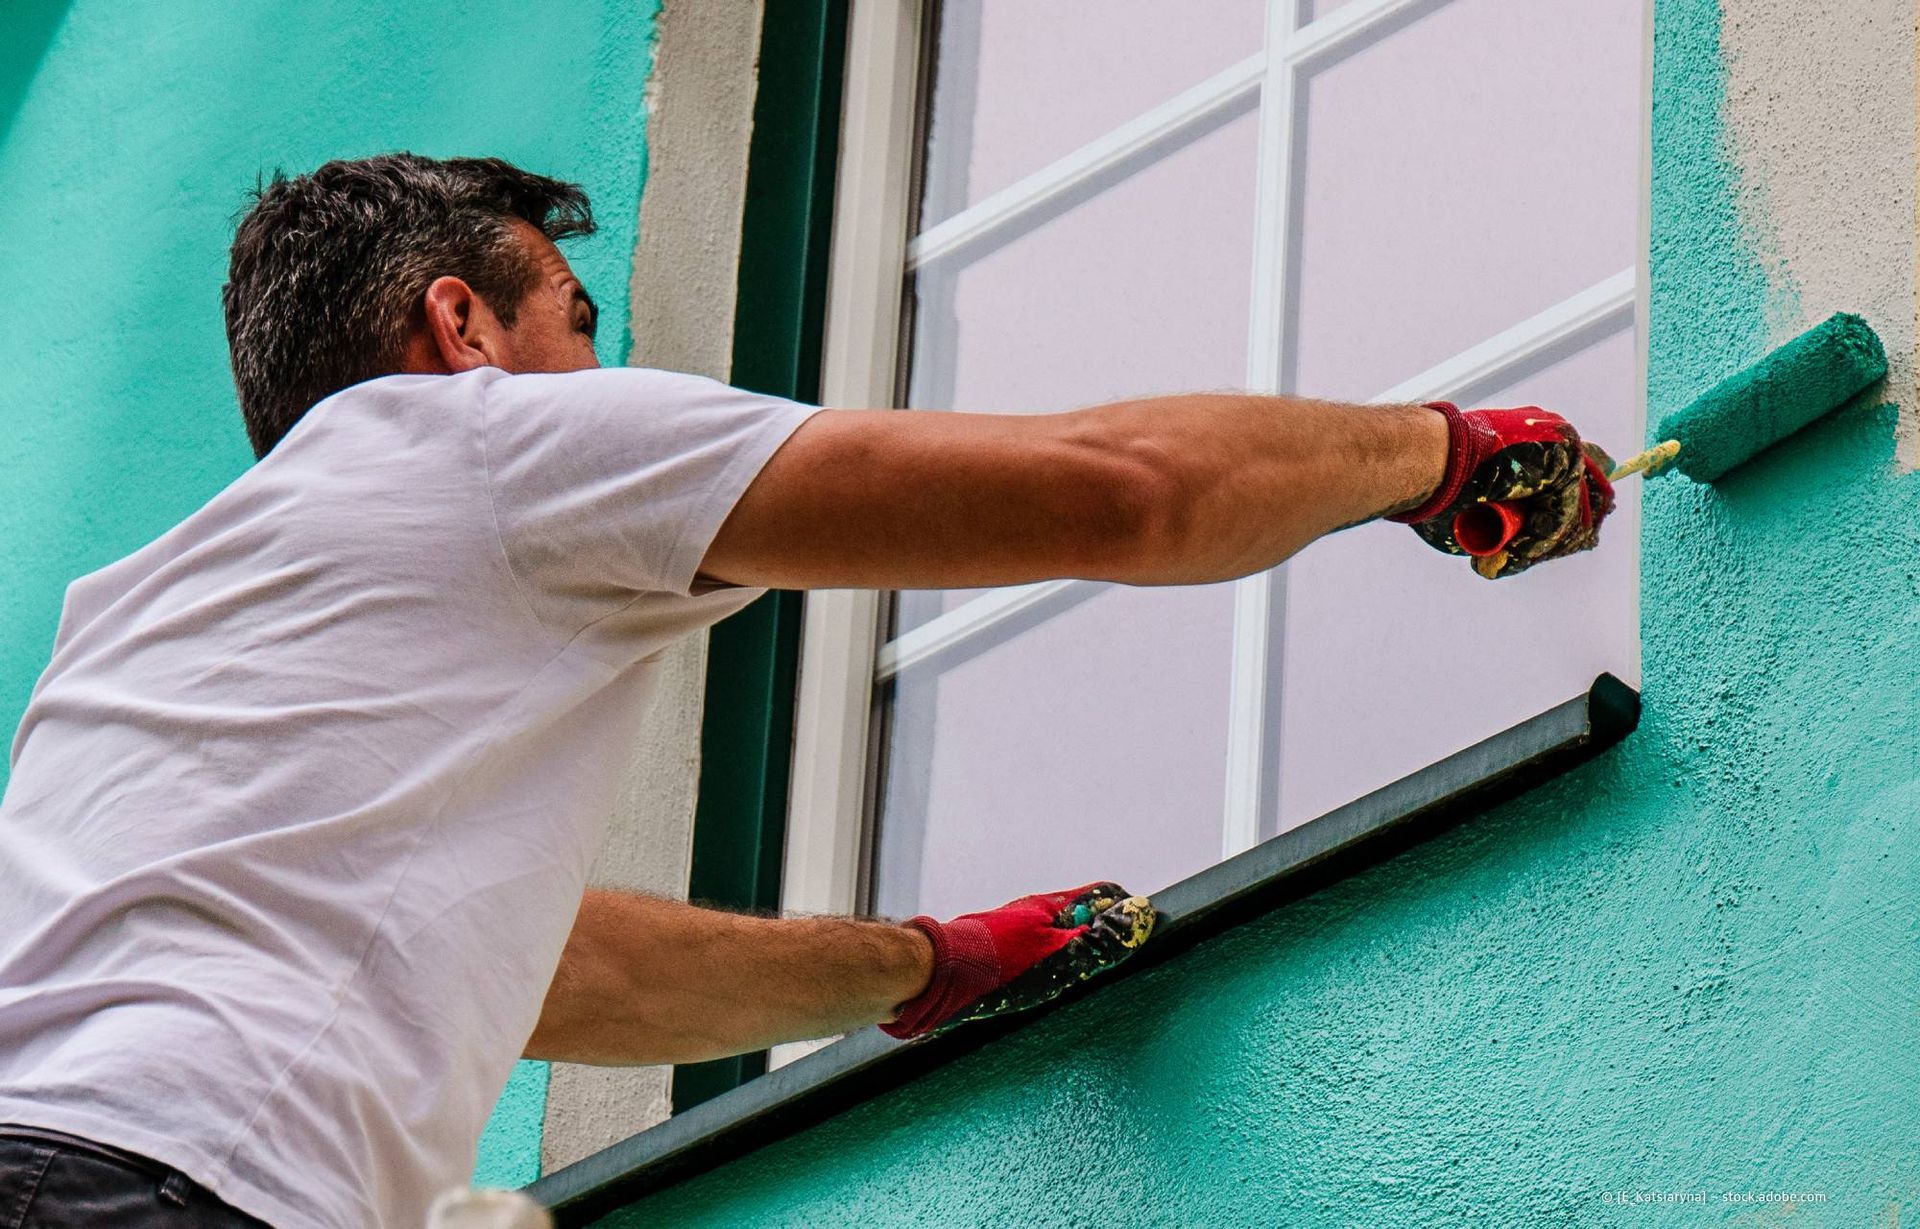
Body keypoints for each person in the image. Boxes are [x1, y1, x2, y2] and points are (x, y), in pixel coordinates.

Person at [0, 153, 1614, 1229]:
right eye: (581, 322)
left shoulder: (141, 623)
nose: (608, 373)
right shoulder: (474, 440)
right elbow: (1116, 488)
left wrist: (924, 966)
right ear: (460, 327)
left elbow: (545, 974)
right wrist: (1435, 454)